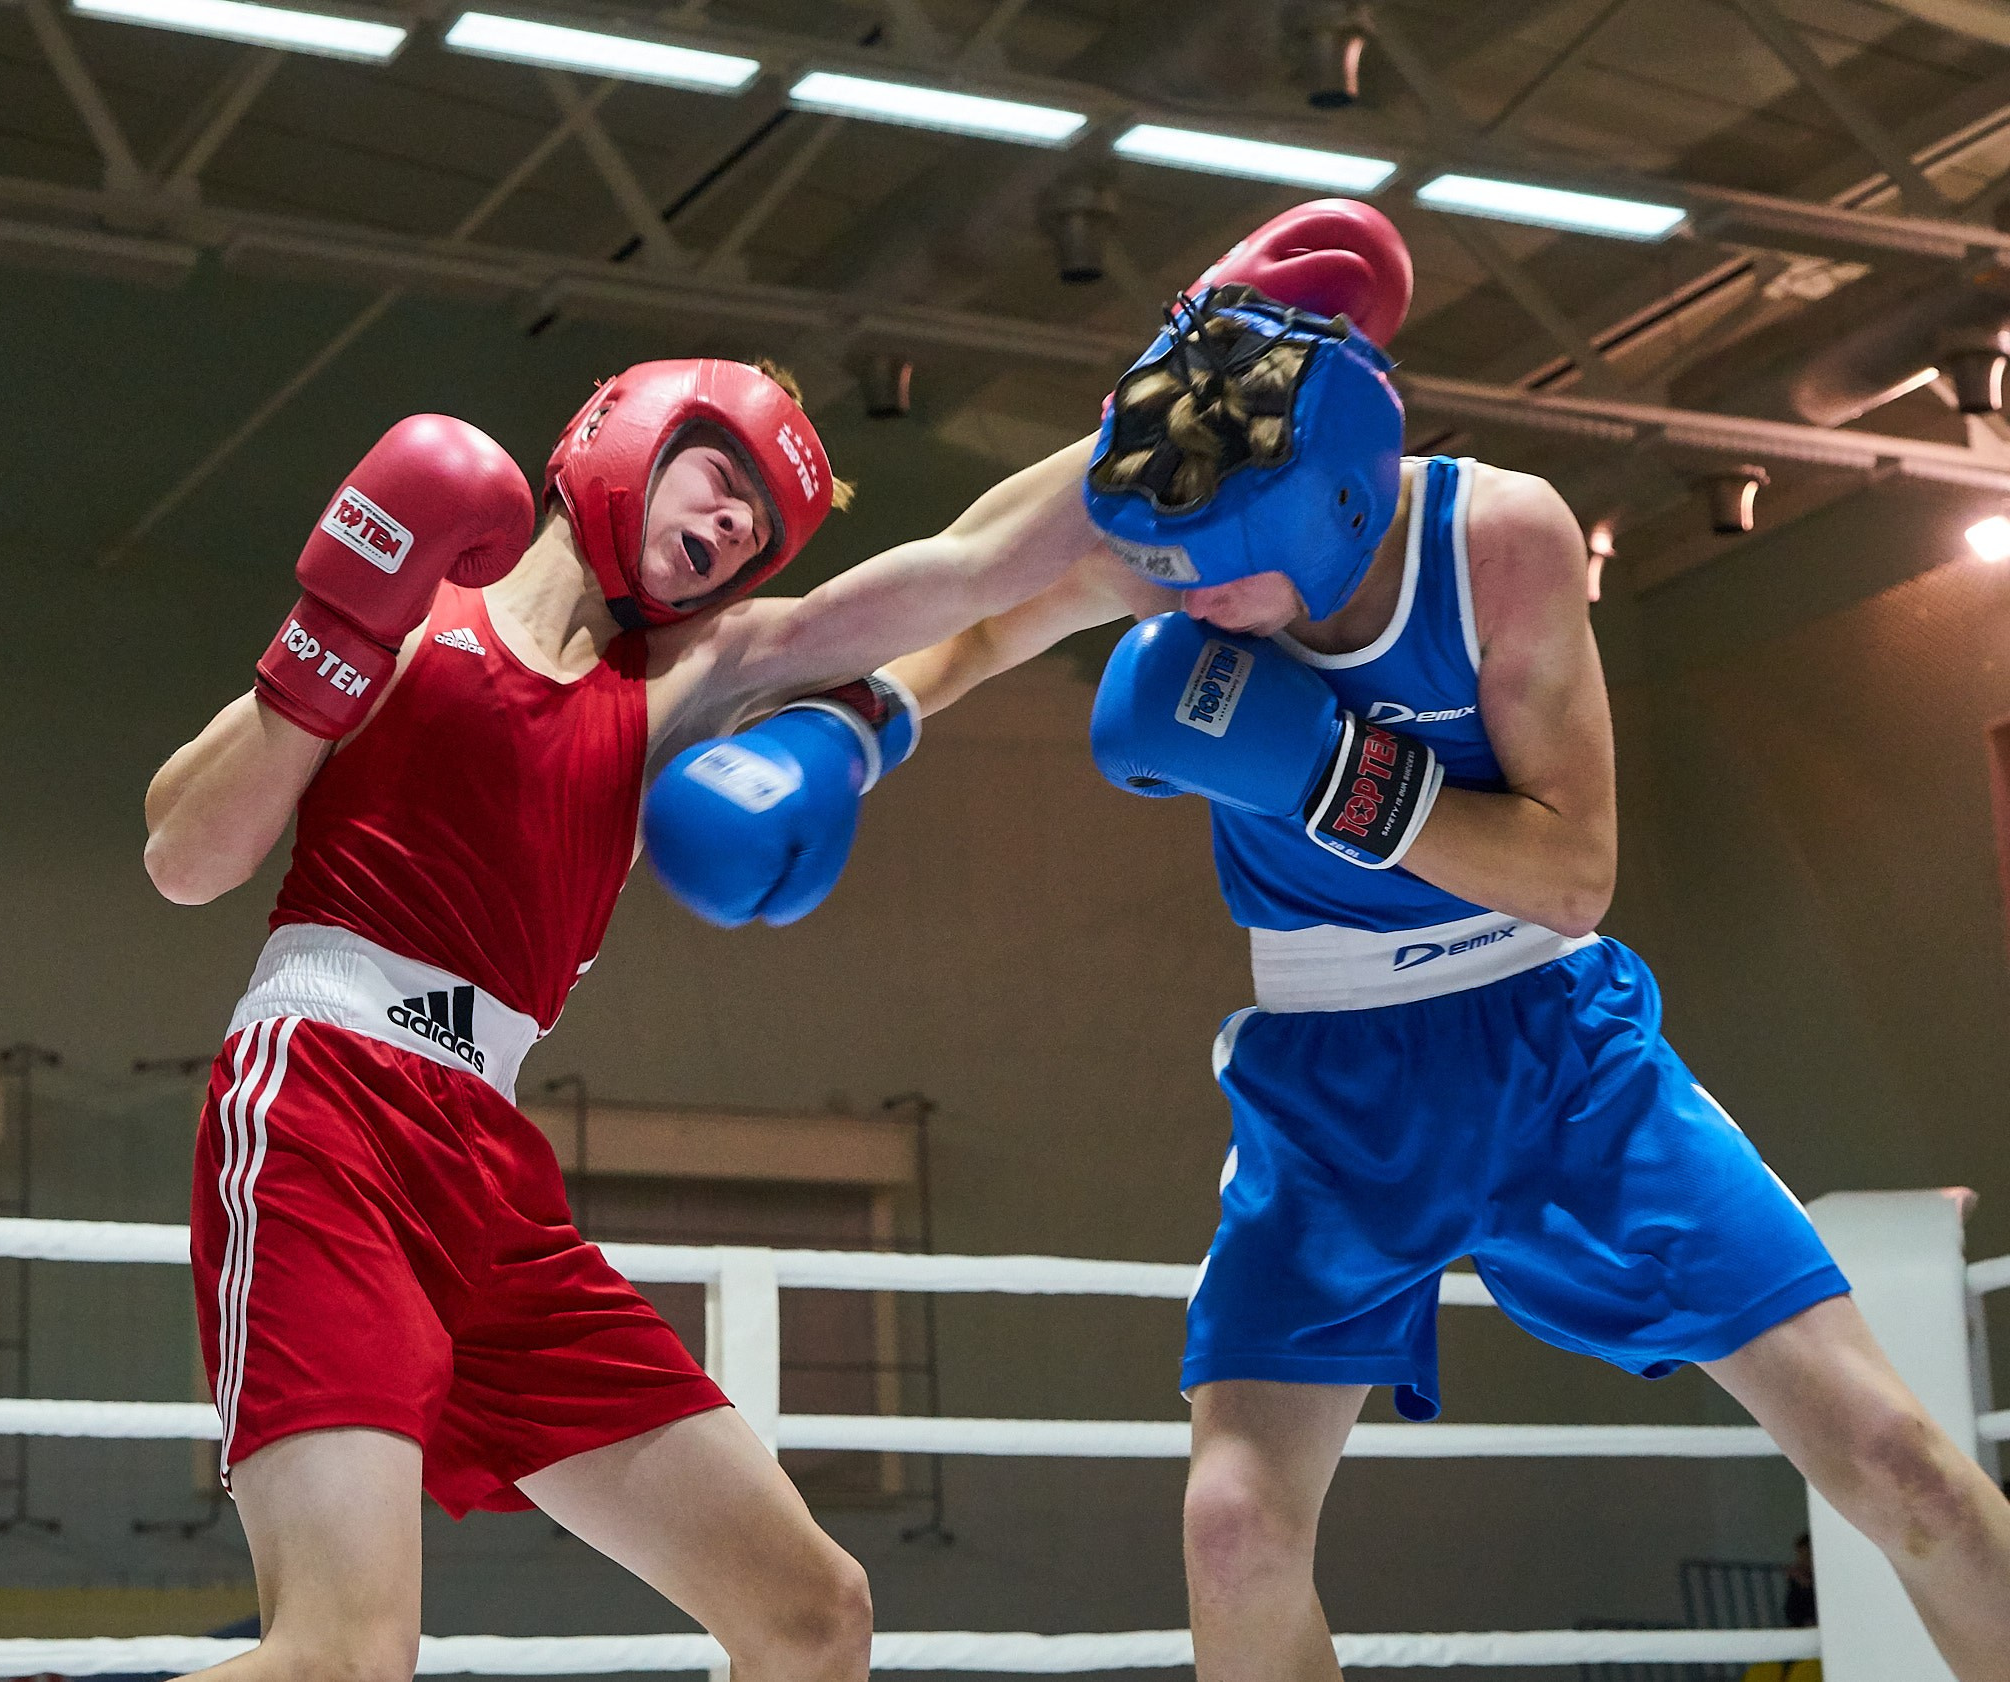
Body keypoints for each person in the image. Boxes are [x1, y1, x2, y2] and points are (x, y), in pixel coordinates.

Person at [645, 204, 2010, 1682]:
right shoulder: (1179, 506)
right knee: (1235, 1529)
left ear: (1338, 511)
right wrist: (844, 728)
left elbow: (1575, 874)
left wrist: (1329, 774)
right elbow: (975, 601)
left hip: (1557, 1046)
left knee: (1905, 1468)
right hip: (1327, 1077)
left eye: (1215, 578)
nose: (1182, 602)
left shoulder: (1501, 541)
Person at [141, 355, 1104, 1682]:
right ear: (623, 433)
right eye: (721, 478)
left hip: (485, 1165)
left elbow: (970, 572)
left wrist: (1150, 412)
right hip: (324, 1110)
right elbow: (184, 858)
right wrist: (330, 637)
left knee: (812, 1615)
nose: (732, 526)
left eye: (757, 532)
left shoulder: (691, 680)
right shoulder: (418, 605)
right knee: (343, 1657)